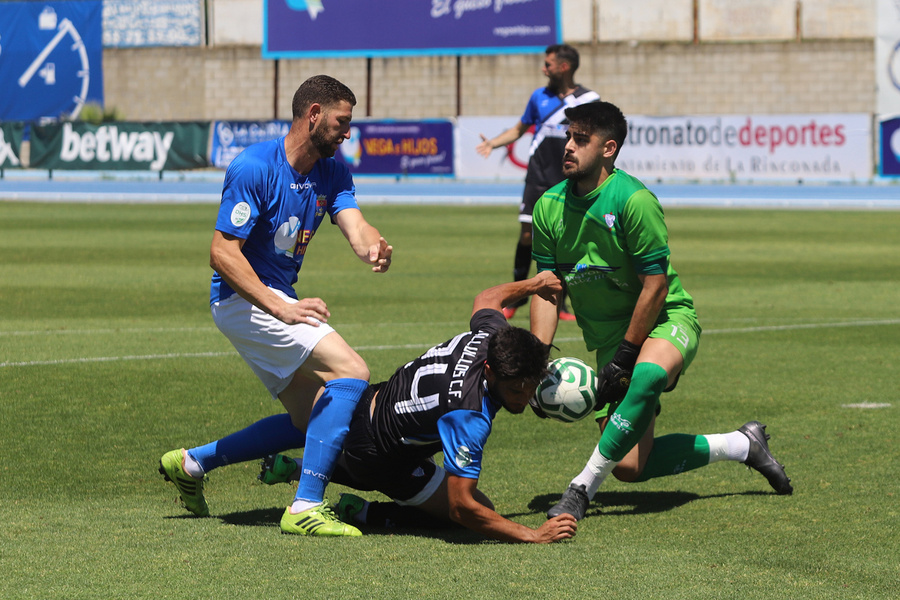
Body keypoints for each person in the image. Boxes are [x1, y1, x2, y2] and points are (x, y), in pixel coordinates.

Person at [527, 101, 793, 521]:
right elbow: (546, 290)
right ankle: (743, 445)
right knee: (632, 467)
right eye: (568, 138)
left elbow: (656, 285)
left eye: (582, 140)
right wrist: (535, 361)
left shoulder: (634, 201)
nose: (569, 147)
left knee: (647, 375)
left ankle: (580, 490)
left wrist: (627, 358)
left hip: (667, 319)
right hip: (610, 338)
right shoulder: (548, 208)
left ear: (609, 148)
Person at [158, 75, 393, 537]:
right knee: (351, 371)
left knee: (311, 419)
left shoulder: (332, 170)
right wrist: (278, 307)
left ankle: (191, 464)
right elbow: (223, 253)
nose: (348, 132)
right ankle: (305, 505)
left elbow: (356, 223)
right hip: (241, 299)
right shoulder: (254, 167)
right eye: (342, 122)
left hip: (270, 300)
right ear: (314, 115)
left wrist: (372, 246)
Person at [260, 272, 578, 543]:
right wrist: (532, 533)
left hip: (370, 404)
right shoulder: (468, 416)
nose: (524, 396)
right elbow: (462, 506)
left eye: (529, 385)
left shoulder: (490, 338)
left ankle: (298, 467)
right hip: (375, 454)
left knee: (409, 454)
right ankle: (363, 511)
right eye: (514, 389)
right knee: (481, 512)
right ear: (490, 372)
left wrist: (535, 284)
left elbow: (488, 297)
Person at [476, 44, 599, 321]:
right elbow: (520, 129)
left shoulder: (589, 99)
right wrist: (493, 143)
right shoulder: (538, 97)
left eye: (549, 64)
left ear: (564, 67)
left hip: (569, 179)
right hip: (538, 177)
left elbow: (595, 139)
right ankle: (516, 298)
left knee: (566, 242)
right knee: (527, 235)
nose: (544, 68)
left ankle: (562, 303)